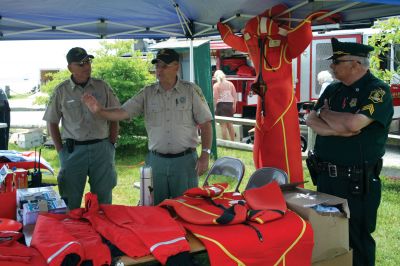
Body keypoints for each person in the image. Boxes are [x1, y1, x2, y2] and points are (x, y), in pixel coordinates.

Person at [82, 48, 213, 205]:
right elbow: (122, 112)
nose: (159, 70)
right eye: (157, 65)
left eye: (164, 66)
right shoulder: (147, 93)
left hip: (184, 162)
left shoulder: (191, 91)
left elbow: (206, 124)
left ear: (176, 67)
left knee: (186, 208)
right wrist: (100, 111)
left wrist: (205, 154)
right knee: (155, 209)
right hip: (156, 162)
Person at [306, 38, 394, 266]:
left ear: (356, 64)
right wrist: (340, 129)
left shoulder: (376, 90)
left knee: (357, 237)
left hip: (356, 180)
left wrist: (330, 117)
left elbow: (355, 124)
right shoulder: (333, 89)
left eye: (336, 62)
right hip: (325, 177)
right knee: (329, 233)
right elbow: (311, 118)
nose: (331, 67)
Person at [43, 47, 120, 210]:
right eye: (81, 64)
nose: (86, 66)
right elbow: (51, 122)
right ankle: (73, 235)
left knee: (103, 202)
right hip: (73, 152)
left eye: (88, 62)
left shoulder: (102, 87)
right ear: (70, 67)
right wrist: (61, 152)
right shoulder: (62, 91)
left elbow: (115, 115)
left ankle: (102, 234)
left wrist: (111, 144)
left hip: (102, 150)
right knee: (70, 202)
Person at [213, 70, 237, 141]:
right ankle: (233, 142)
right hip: (230, 105)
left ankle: (225, 143)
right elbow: (235, 96)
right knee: (230, 125)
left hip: (221, 105)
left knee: (223, 125)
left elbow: (215, 98)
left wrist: (214, 108)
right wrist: (234, 106)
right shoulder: (230, 84)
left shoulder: (216, 85)